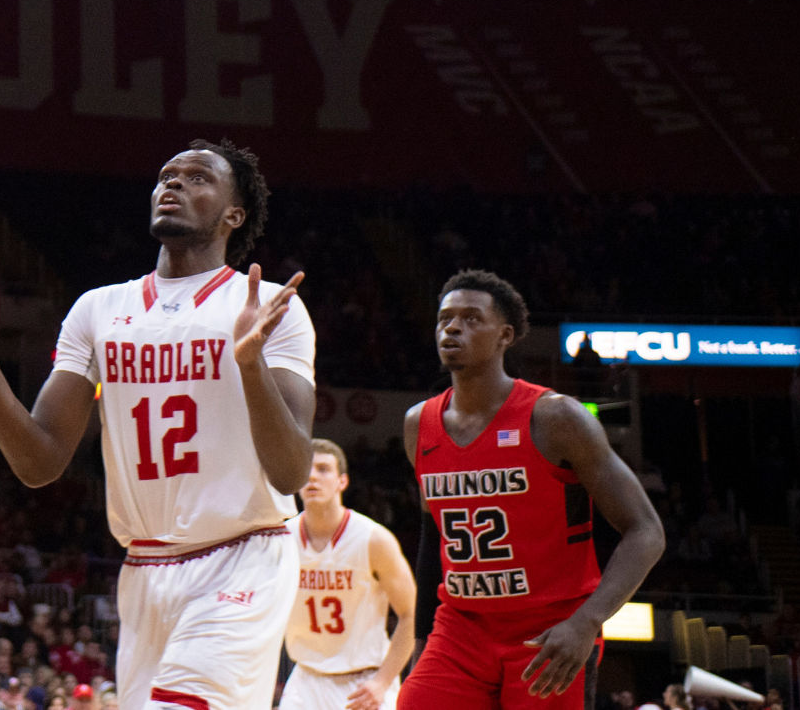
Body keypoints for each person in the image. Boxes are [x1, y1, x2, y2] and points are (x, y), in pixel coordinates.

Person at [0, 142, 316, 710]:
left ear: (234, 214)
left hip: (244, 554)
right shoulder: (99, 309)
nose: (173, 185)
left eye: (197, 178)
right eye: (166, 176)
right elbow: (39, 463)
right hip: (143, 567)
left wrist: (249, 364)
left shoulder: (267, 305)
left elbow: (291, 470)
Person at [403, 271, 664, 709]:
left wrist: (586, 623)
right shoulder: (418, 425)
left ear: (505, 336)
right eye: (444, 318)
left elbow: (646, 531)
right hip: (460, 629)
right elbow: (434, 541)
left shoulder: (557, 417)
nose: (451, 327)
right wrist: (420, 638)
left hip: (548, 629)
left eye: (470, 318)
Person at [281, 440, 415, 710]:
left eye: (323, 469)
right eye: (306, 469)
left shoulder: (373, 539)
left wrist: (382, 681)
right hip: (305, 678)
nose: (312, 476)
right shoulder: (281, 538)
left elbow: (411, 614)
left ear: (343, 481)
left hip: (363, 681)